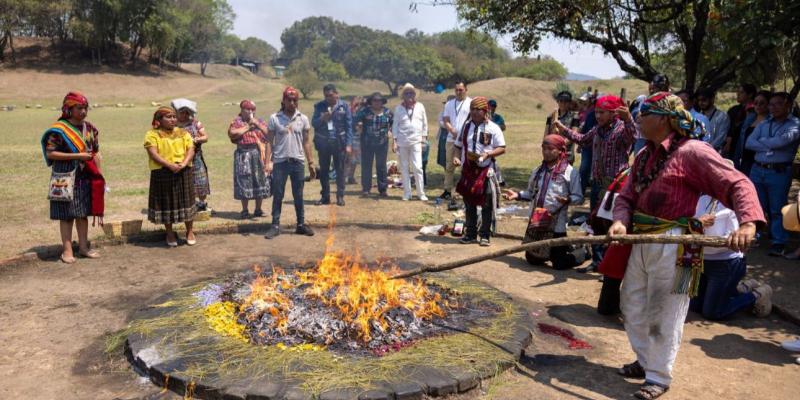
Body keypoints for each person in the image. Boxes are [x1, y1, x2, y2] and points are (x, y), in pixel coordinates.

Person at [609, 92, 764, 399]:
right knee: (631, 303)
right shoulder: (644, 155)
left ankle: (658, 376)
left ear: (664, 119)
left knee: (666, 311)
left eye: (645, 114)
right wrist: (620, 221)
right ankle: (645, 360)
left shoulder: (693, 152)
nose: (638, 119)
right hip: (641, 240)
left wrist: (747, 223)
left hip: (677, 244)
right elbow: (626, 196)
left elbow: (738, 183)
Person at [553, 95, 637, 272]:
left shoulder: (622, 129)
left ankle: (610, 264)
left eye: (602, 112)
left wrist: (629, 119)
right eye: (597, 112)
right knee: (596, 224)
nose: (598, 116)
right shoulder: (598, 130)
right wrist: (562, 129)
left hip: (616, 186)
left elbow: (633, 136)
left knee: (613, 224)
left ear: (613, 113)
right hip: (598, 184)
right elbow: (583, 139)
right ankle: (597, 262)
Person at [41, 91, 103, 263]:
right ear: (68, 108)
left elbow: (95, 152)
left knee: (83, 214)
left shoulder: (90, 129)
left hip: (85, 176)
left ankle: (83, 248)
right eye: (79, 108)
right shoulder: (59, 131)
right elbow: (51, 153)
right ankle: (67, 251)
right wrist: (77, 156)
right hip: (64, 176)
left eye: (85, 108)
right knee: (66, 215)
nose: (83, 111)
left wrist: (100, 174)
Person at [503, 134, 583, 269]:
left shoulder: (570, 172)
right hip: (537, 222)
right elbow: (530, 193)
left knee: (559, 264)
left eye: (550, 149)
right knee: (533, 260)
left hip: (556, 223)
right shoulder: (537, 171)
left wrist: (568, 200)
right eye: (544, 148)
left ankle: (582, 253)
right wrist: (516, 195)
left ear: (560, 150)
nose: (546, 152)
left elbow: (578, 197)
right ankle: (563, 248)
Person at [690, 194, 771, 319]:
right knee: (694, 306)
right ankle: (741, 289)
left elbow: (733, 241)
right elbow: (688, 225)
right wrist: (697, 224)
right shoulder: (701, 199)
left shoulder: (735, 203)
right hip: (702, 261)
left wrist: (701, 232)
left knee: (712, 312)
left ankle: (757, 295)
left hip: (725, 263)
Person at [745, 92, 800, 256]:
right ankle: (755, 235)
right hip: (758, 169)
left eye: (778, 104)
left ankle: (778, 242)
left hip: (778, 172)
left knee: (777, 209)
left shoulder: (795, 124)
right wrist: (770, 145)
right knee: (756, 205)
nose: (773, 108)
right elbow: (749, 143)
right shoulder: (764, 123)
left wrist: (761, 143)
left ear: (788, 105)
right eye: (771, 104)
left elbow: (782, 142)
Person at [263, 87, 316, 239]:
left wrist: (311, 162)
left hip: (297, 162)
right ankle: (275, 225)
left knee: (298, 195)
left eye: (295, 100)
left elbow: (306, 142)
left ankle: (300, 224)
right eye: (289, 100)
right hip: (280, 162)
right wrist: (267, 162)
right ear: (284, 101)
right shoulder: (275, 118)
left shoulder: (303, 119)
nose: (292, 103)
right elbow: (269, 142)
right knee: (278, 194)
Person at [454, 96, 506, 246]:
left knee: (487, 202)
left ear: (485, 111)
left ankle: (485, 235)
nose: (475, 112)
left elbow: (502, 148)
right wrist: (457, 158)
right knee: (469, 203)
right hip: (468, 169)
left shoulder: (493, 128)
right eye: (472, 109)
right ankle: (470, 234)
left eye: (478, 109)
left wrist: (488, 154)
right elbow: (458, 146)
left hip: (486, 170)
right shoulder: (465, 126)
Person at [144, 107, 198, 247]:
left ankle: (190, 231)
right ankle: (169, 233)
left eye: (174, 116)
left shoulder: (183, 133)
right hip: (162, 171)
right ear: (159, 120)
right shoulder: (152, 134)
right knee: (166, 203)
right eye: (168, 117)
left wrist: (184, 163)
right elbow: (153, 153)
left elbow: (191, 149)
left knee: (187, 201)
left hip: (183, 170)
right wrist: (169, 165)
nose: (173, 119)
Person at [228, 100, 271, 218]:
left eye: (253, 109)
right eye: (248, 109)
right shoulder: (237, 122)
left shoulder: (259, 121)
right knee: (244, 180)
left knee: (260, 179)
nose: (251, 111)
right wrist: (247, 127)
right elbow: (232, 133)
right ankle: (245, 210)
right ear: (242, 110)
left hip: (257, 153)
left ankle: (258, 209)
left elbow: (269, 134)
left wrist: (257, 124)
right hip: (243, 154)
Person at [312, 84, 353, 206]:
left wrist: (349, 144)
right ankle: (325, 197)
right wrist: (322, 119)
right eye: (326, 96)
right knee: (324, 170)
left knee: (340, 170)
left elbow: (349, 126)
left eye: (330, 95)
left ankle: (340, 196)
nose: (328, 98)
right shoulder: (319, 106)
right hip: (323, 142)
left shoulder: (344, 106)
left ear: (336, 94)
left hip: (339, 142)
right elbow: (314, 123)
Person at [171, 98, 210, 211]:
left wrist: (197, 139)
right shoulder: (173, 125)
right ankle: (185, 205)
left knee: (201, 181)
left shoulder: (196, 123)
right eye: (182, 112)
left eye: (186, 112)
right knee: (183, 182)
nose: (184, 115)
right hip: (179, 158)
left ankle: (201, 204)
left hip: (196, 157)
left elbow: (205, 137)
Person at [392, 83, 429, 201]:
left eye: (411, 93)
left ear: (415, 94)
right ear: (403, 95)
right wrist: (394, 141)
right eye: (407, 93)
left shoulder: (420, 106)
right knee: (404, 167)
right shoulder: (398, 108)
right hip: (402, 142)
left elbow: (425, 124)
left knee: (418, 167)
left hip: (416, 141)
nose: (409, 95)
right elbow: (395, 126)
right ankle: (407, 193)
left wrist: (424, 139)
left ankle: (421, 193)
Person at [355, 92, 393, 197]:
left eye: (379, 100)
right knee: (366, 166)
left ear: (382, 102)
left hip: (382, 143)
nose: (377, 102)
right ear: (371, 102)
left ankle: (383, 189)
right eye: (374, 100)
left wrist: (390, 130)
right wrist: (359, 125)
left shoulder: (388, 112)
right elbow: (354, 120)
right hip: (367, 142)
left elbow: (395, 123)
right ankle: (366, 189)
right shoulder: (364, 111)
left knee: (381, 166)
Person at [440, 81, 471, 201]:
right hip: (451, 138)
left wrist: (463, 133)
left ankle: (465, 190)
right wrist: (451, 130)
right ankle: (447, 190)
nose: (458, 92)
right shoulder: (449, 104)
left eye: (461, 90)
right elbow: (446, 119)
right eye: (456, 90)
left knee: (466, 166)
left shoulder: (471, 103)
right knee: (449, 166)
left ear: (466, 90)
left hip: (466, 140)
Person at [733, 90, 771, 177]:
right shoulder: (750, 118)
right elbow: (740, 141)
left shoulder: (772, 121)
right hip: (745, 161)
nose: (758, 106)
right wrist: (736, 159)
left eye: (762, 103)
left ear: (768, 104)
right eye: (756, 103)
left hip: (760, 162)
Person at [545, 91, 580, 163]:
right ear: (558, 101)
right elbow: (546, 134)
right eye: (561, 101)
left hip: (567, 153)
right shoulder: (551, 116)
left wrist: (559, 145)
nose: (563, 103)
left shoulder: (574, 116)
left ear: (570, 102)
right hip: (551, 152)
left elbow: (574, 135)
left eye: (566, 101)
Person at [724, 83, 757, 157]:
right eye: (737, 92)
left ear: (750, 94)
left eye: (741, 92)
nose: (738, 94)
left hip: (746, 148)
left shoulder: (756, 111)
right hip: (731, 146)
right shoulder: (734, 110)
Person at [577, 92, 597, 196]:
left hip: (598, 147)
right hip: (588, 147)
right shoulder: (588, 113)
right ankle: (580, 191)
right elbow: (584, 131)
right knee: (584, 168)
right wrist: (580, 144)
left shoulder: (595, 113)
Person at [345, 96, 364, 185]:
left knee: (355, 159)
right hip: (349, 136)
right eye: (357, 103)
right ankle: (344, 176)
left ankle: (351, 177)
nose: (358, 105)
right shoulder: (349, 111)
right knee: (348, 158)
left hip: (358, 137)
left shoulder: (362, 111)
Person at [488, 99, 506, 186]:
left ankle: (499, 179)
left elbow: (504, 127)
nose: (492, 108)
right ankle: (499, 179)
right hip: (486, 141)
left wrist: (496, 127)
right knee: (492, 160)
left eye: (494, 106)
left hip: (495, 141)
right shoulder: (484, 116)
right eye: (490, 106)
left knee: (492, 160)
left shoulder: (498, 117)